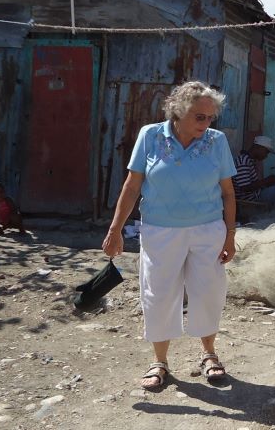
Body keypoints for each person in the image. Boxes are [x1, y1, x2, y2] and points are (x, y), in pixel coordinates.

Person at [102, 81, 238, 391]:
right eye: (199, 117)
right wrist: (115, 230)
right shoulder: (150, 136)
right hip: (160, 230)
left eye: (210, 117)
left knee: (209, 292)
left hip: (207, 230)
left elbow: (228, 193)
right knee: (159, 293)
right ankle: (159, 361)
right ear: (177, 112)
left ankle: (208, 354)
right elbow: (132, 186)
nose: (206, 124)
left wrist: (230, 235)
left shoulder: (216, 141)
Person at [234, 136, 275, 213]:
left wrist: (268, 182)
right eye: (266, 152)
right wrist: (266, 181)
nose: (266, 156)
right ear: (258, 147)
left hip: (257, 193)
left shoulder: (249, 160)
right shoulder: (243, 161)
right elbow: (244, 188)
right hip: (254, 197)